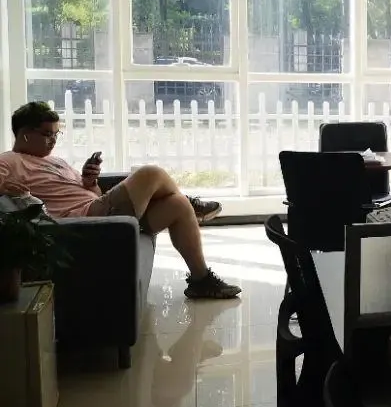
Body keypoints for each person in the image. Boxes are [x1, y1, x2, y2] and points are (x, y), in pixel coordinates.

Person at [0, 101, 240, 300]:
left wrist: (89, 182)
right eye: (46, 134)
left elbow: (93, 194)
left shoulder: (56, 161)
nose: (53, 140)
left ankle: (201, 280)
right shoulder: (9, 161)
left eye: (56, 134)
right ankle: (193, 204)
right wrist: (5, 188)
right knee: (150, 173)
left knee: (177, 205)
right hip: (82, 221)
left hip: (98, 211)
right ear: (25, 134)